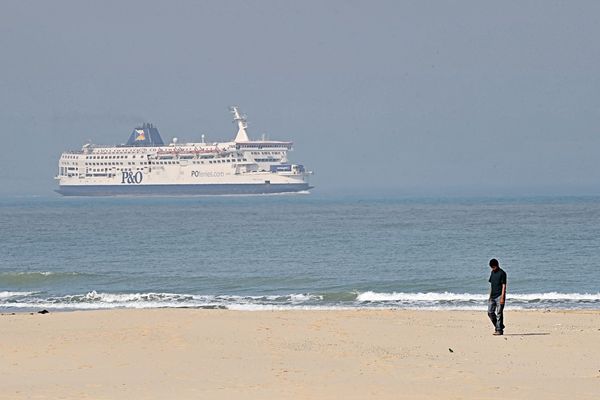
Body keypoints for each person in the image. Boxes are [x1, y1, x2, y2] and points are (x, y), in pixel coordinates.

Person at [487, 258, 507, 335]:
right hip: (492, 296)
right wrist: (489, 296)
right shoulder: (492, 273)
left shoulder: (502, 273)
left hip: (499, 296)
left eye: (494, 267)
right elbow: (491, 285)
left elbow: (504, 286)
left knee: (499, 313)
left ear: (497, 265)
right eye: (492, 267)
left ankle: (499, 330)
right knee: (490, 312)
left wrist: (502, 297)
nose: (493, 268)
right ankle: (500, 326)